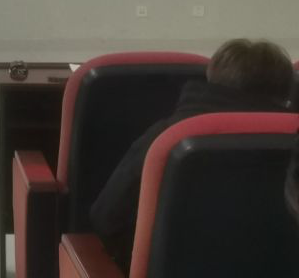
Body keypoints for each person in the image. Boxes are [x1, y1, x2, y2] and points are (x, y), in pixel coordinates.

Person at [90, 38, 294, 273]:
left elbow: (106, 219)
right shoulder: (292, 141)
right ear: (284, 95)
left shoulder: (166, 137)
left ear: (212, 78)